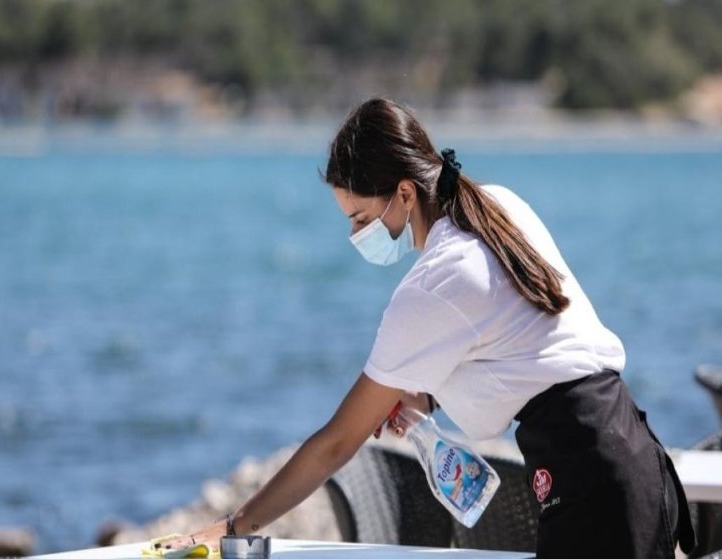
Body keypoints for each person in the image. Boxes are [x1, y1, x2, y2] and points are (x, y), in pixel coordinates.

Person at [164, 98, 695, 558]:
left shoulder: (431, 285)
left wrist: (232, 529)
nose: (356, 235)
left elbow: (337, 442)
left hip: (590, 485)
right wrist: (427, 396)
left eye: (359, 218)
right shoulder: (500, 208)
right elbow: (530, 342)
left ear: (403, 193)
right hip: (631, 454)